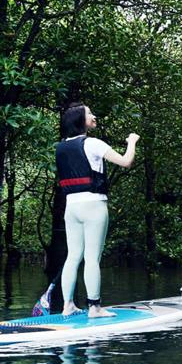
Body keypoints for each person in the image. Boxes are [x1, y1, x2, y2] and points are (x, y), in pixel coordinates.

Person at [56, 103, 139, 317]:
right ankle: (94, 307)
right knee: (92, 258)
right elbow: (126, 161)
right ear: (80, 121)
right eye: (89, 114)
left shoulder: (61, 147)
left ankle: (68, 305)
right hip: (93, 205)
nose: (94, 116)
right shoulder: (92, 143)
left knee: (73, 256)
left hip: (71, 207)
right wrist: (132, 142)